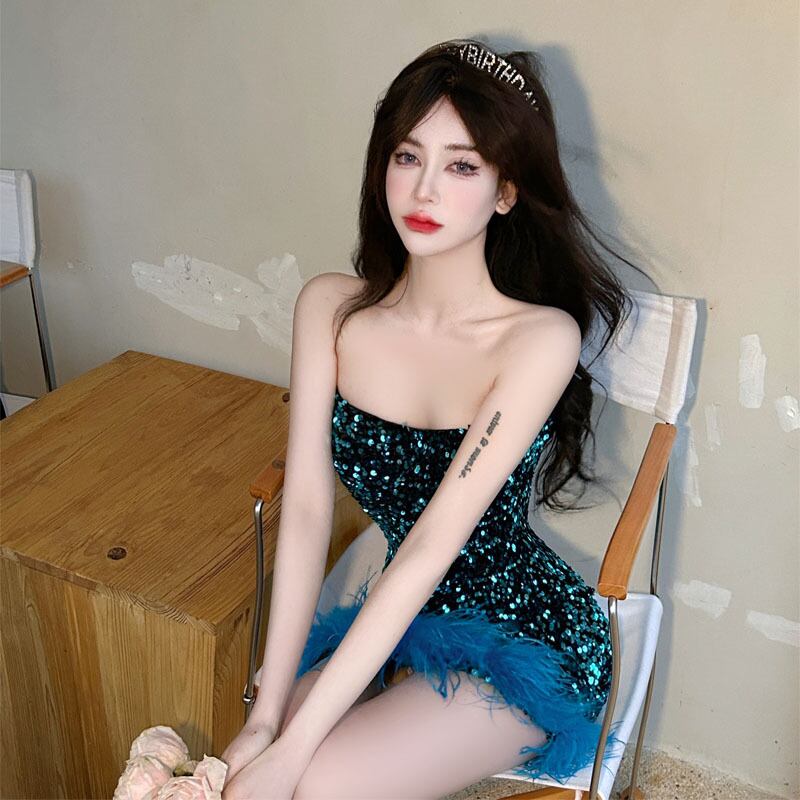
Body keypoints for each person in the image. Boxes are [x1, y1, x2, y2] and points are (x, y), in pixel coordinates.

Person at [221, 37, 645, 800]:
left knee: (313, 782)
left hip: (525, 637)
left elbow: (428, 548)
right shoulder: (329, 310)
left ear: (506, 191)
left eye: (461, 166)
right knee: (259, 756)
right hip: (401, 618)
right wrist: (268, 715)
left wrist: (293, 750)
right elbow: (308, 509)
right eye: (408, 157)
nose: (423, 190)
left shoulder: (537, 340)